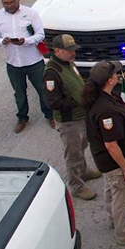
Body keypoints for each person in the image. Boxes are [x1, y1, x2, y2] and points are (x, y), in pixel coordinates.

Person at [83, 61, 125, 246]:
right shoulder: (106, 111)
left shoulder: (101, 97)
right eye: (116, 74)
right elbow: (111, 144)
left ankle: (115, 218)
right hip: (113, 161)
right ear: (109, 80)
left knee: (111, 190)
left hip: (105, 160)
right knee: (121, 196)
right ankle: (124, 233)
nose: (118, 76)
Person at [0, 0, 54, 133]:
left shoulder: (30, 13)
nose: (9, 5)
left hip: (33, 61)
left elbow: (40, 35)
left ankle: (50, 115)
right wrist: (1, 41)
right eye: (6, 3)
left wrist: (26, 41)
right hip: (13, 63)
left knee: (43, 90)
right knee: (19, 92)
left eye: (12, 2)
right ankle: (22, 118)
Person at [43, 34, 100, 201]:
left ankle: (83, 171)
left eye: (74, 50)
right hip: (69, 121)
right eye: (70, 51)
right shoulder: (52, 73)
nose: (73, 53)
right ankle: (76, 185)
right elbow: (53, 102)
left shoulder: (68, 62)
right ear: (57, 50)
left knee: (82, 145)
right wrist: (78, 100)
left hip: (80, 116)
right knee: (73, 153)